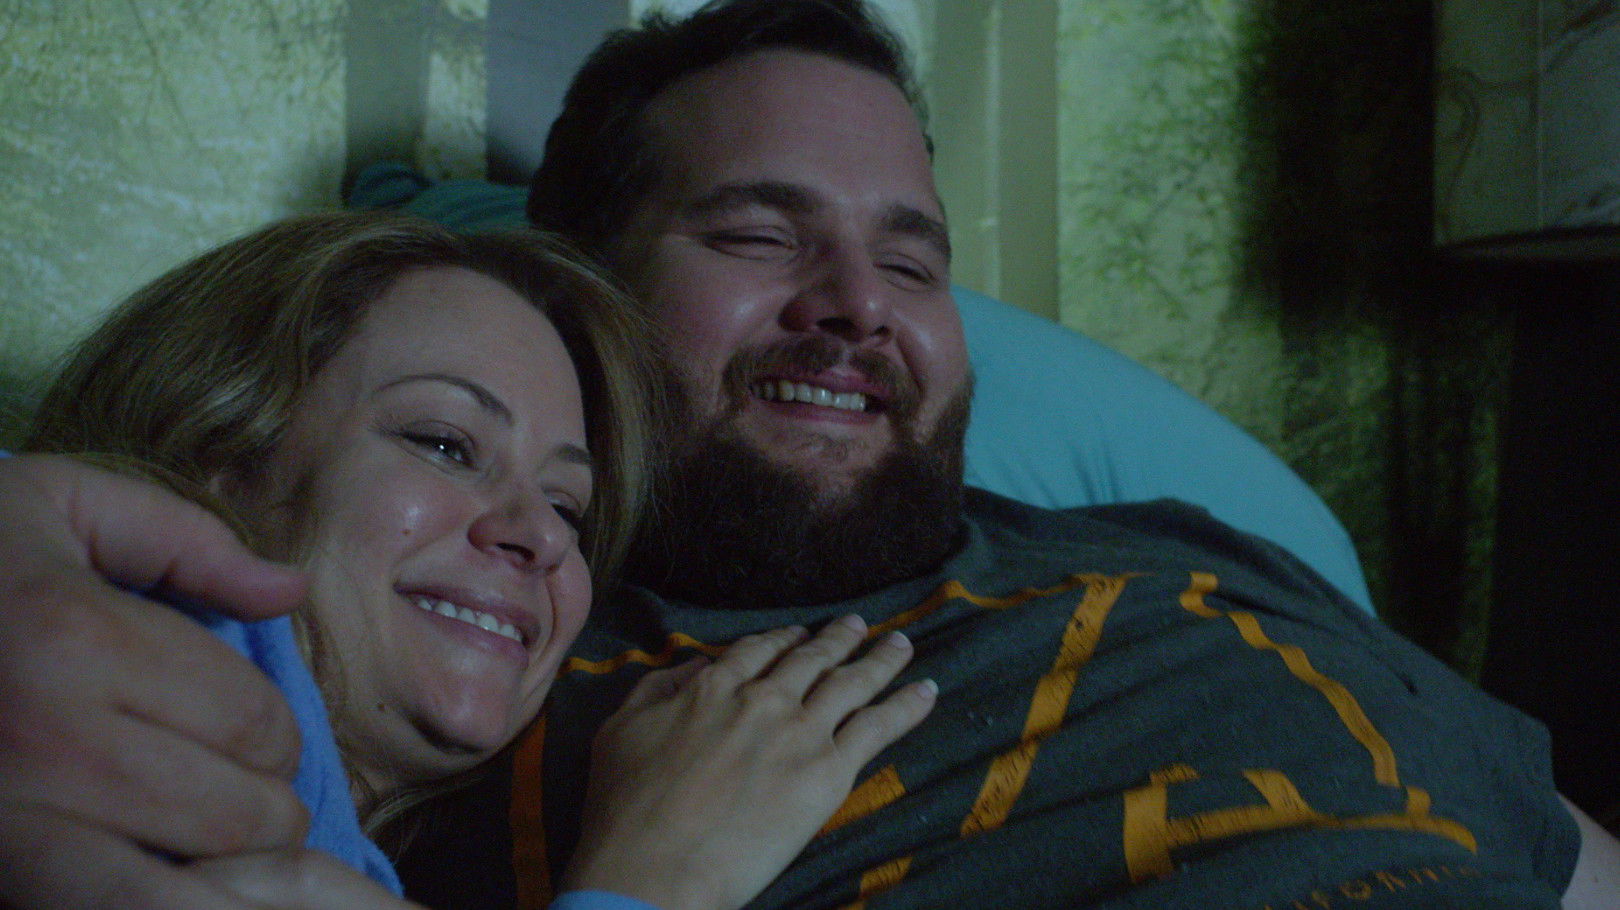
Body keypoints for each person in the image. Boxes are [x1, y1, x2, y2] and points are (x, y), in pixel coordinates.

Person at [3, 0, 1620, 907]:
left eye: (913, 259)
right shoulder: (468, 668)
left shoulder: (1207, 554)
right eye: (757, 233)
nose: (857, 305)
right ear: (581, 284)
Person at [3, 210, 935, 909]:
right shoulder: (99, 643)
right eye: (445, 444)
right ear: (220, 456)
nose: (541, 536)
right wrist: (656, 880)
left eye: (569, 507)